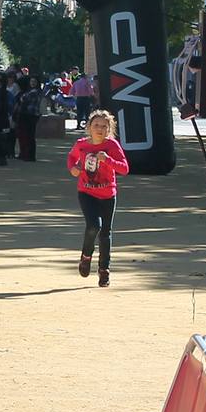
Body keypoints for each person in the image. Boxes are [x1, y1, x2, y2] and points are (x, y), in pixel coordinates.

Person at [66, 110, 129, 287]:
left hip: (108, 194)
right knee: (94, 226)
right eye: (96, 125)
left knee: (105, 233)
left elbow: (124, 169)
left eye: (103, 126)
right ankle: (86, 256)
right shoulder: (81, 145)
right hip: (86, 192)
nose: (99, 129)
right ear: (89, 127)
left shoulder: (112, 146)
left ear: (109, 129)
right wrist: (73, 169)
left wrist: (108, 160)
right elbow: (71, 157)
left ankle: (104, 270)